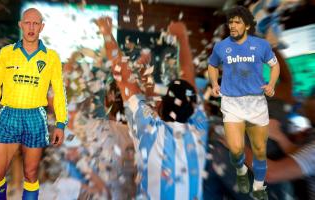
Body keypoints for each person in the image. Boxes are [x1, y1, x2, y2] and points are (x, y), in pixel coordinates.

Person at [96, 17, 208, 200]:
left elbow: (124, 78)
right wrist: (183, 37)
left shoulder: (150, 131)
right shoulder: (200, 126)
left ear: (161, 105)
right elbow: (189, 80)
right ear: (194, 107)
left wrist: (106, 32)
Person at [0, 8, 67, 200]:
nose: (31, 27)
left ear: (41, 27)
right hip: (9, 115)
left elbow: (59, 92)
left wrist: (61, 123)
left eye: (36, 23)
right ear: (20, 25)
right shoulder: (6, 53)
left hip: (35, 116)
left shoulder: (51, 57)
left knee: (31, 174)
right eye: (27, 22)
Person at [207, 5, 280, 200]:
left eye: (236, 22)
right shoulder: (221, 46)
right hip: (232, 105)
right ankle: (240, 170)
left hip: (256, 104)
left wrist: (271, 84)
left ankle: (258, 187)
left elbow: (275, 66)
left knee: (259, 149)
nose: (232, 25)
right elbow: (212, 65)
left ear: (247, 25)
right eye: (230, 22)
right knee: (236, 149)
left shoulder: (261, 46)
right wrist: (214, 83)